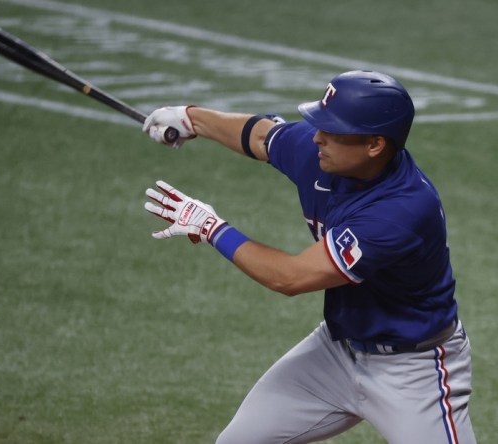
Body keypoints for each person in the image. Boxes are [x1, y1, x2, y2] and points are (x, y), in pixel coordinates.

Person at [141, 70, 476, 444]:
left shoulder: (401, 211)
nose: (317, 136)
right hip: (336, 352)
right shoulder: (322, 153)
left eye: (332, 130)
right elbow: (261, 135)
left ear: (375, 144)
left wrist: (211, 228)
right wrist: (191, 118)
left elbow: (291, 278)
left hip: (415, 372)